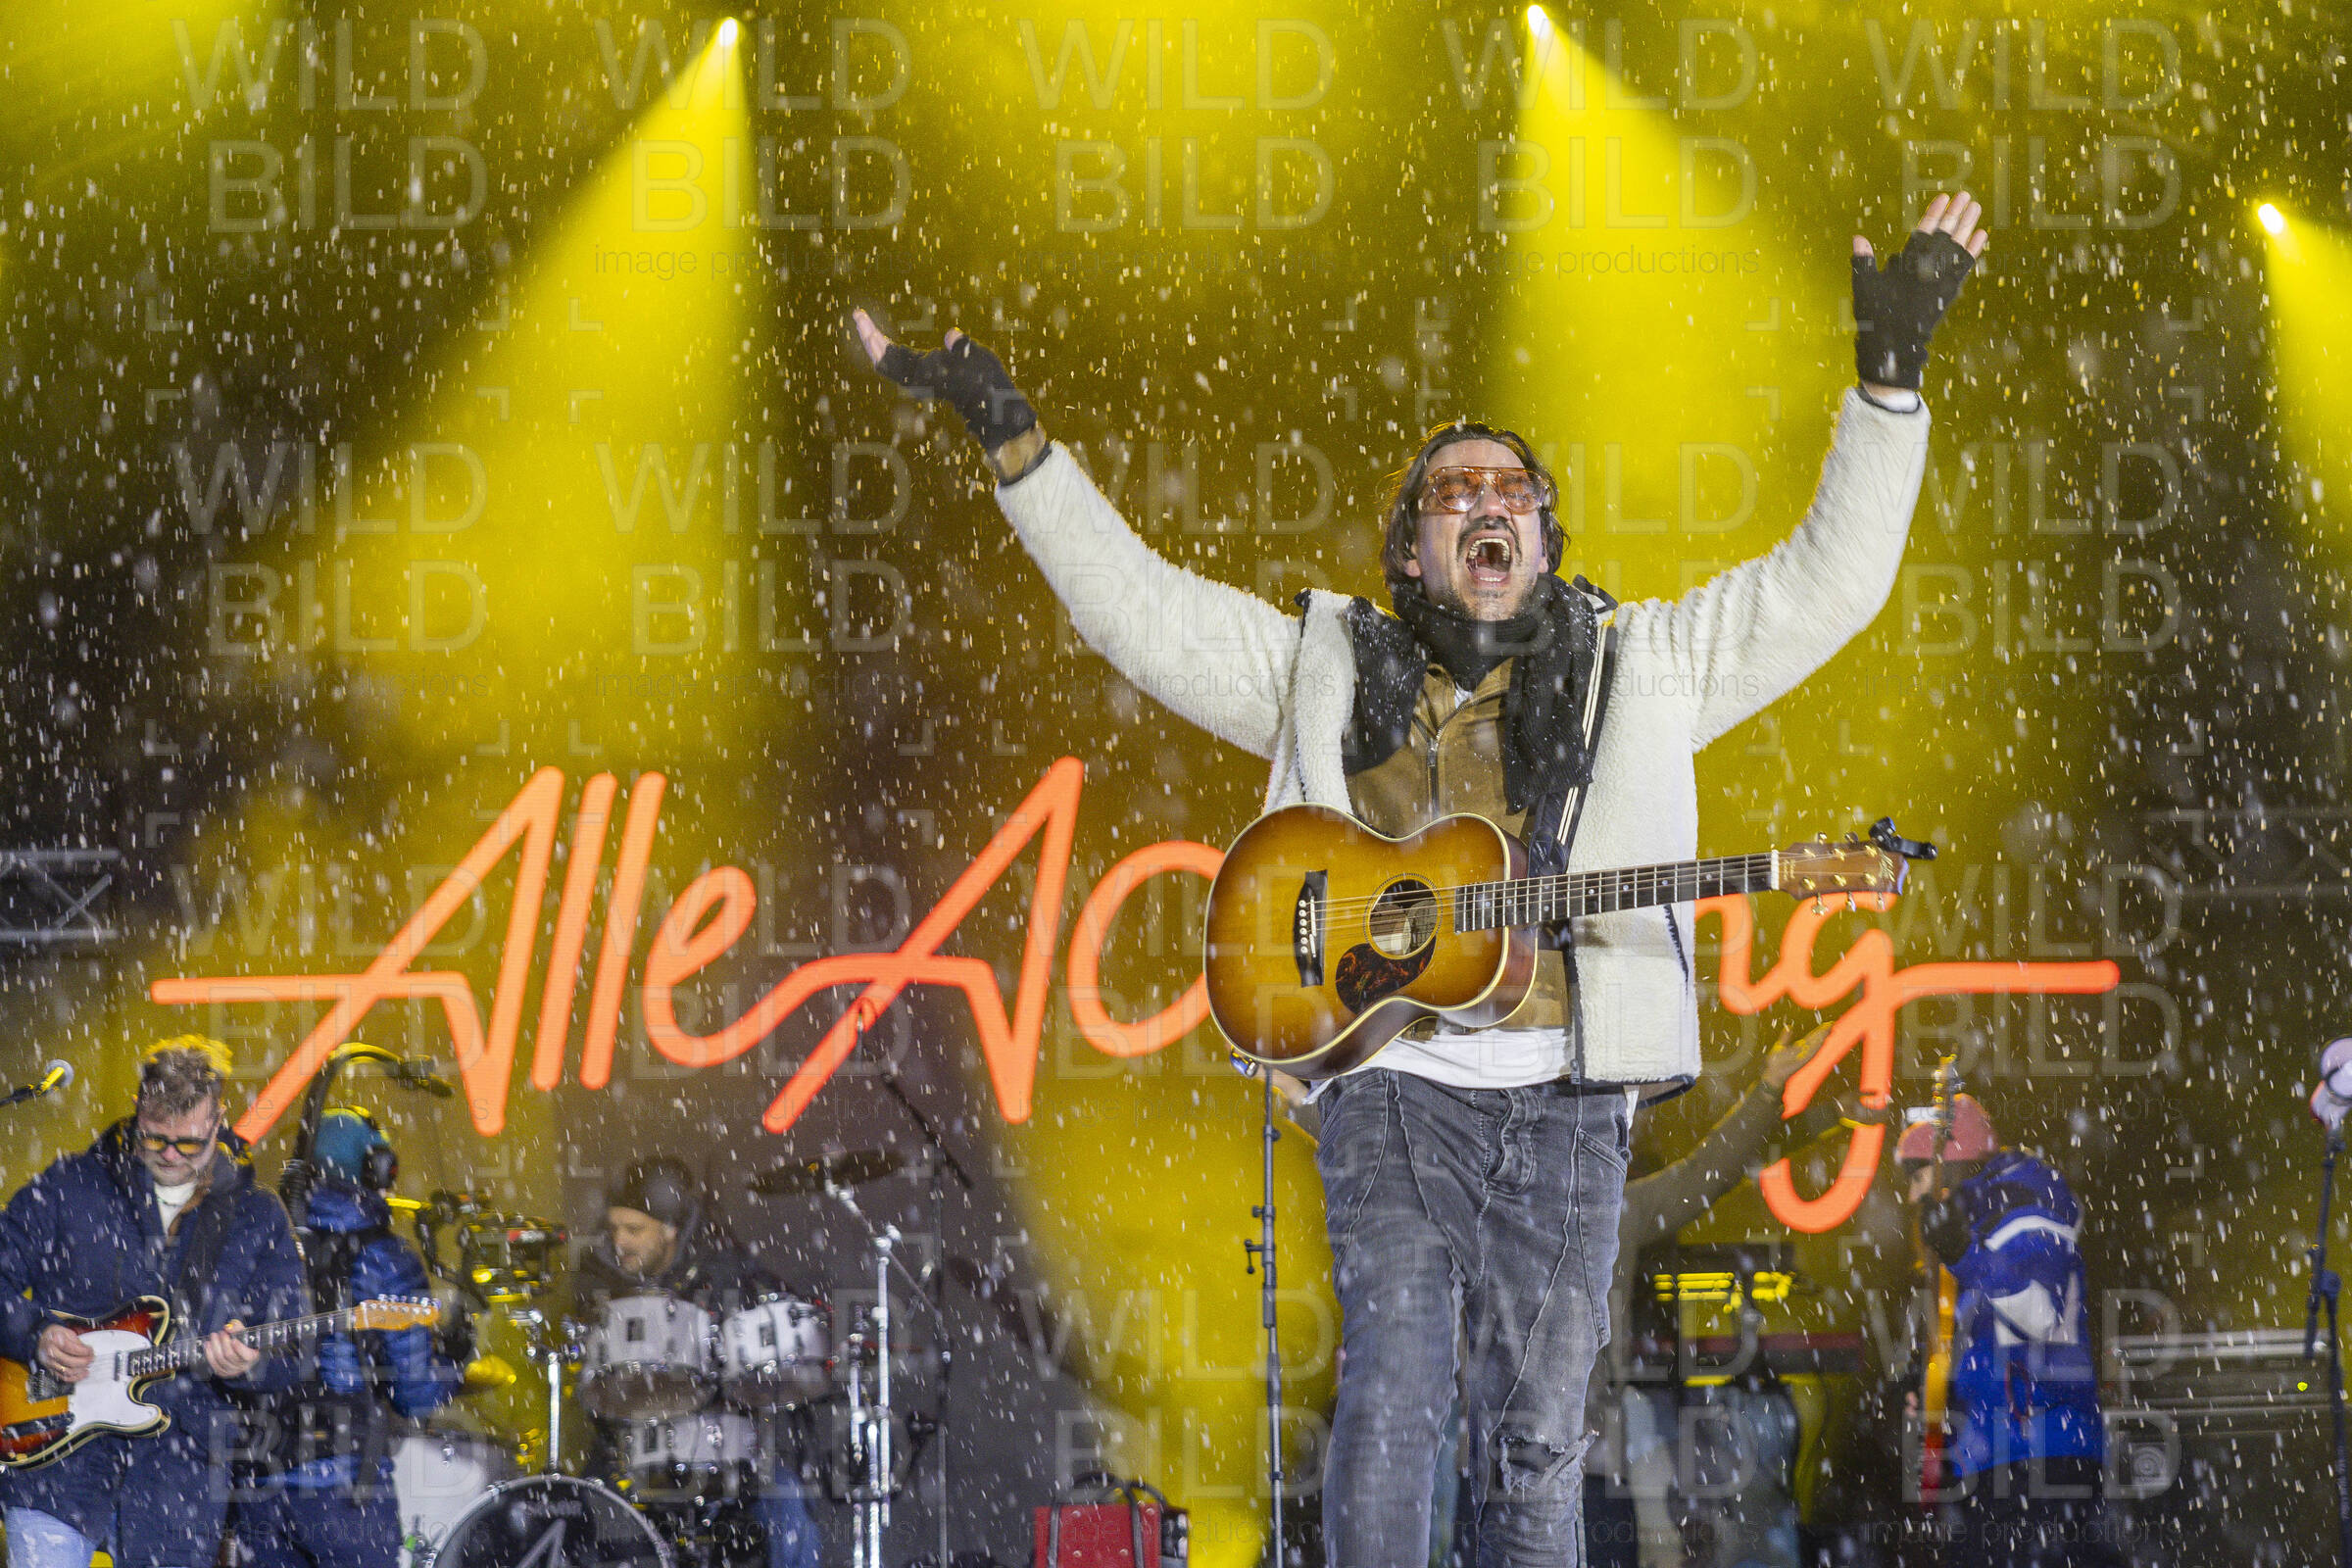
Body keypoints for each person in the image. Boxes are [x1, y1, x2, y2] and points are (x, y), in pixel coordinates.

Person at [855, 192, 1988, 1567]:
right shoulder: (1327, 663)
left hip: (1572, 1099)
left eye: (1514, 493)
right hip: (1391, 1084)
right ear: (1410, 549)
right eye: (1456, 493)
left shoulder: (1643, 665)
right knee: (1394, 1396)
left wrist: (1889, 387)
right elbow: (1139, 612)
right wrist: (1011, 437)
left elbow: (1828, 589)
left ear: (1547, 542)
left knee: (1536, 1441)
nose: (1488, 506)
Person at [0, 1038, 310, 1568]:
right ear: (137, 1109)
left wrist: (248, 1364)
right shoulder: (71, 1185)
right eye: (155, 1137)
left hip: (179, 1473)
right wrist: (35, 1335)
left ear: (218, 1121)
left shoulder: (256, 1215)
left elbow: (295, 1349)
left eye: (188, 1142)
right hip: (50, 1456)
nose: (169, 1154)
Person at [227, 1107, 463, 1568]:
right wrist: (454, 1360)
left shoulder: (261, 1241)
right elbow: (414, 1394)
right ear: (376, 1168)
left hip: (257, 1486)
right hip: (344, 1486)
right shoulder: (386, 1257)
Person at [1897, 1095, 2118, 1566]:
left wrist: (1963, 1253)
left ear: (1951, 1164)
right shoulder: (1975, 1220)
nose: (1913, 1197)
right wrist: (1937, 1398)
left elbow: (2042, 1316)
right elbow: (1984, 1344)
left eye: (1917, 1179)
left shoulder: (2024, 1201)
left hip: (2039, 1451)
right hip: (1998, 1456)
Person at [574, 1159, 821, 1568]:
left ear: (670, 1229)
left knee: (788, 1503)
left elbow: (762, 1351)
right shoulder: (598, 1275)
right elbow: (594, 1375)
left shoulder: (724, 1270)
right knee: (584, 1507)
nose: (619, 1241)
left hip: (723, 1446)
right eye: (614, 1228)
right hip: (628, 1448)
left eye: (634, 1230)